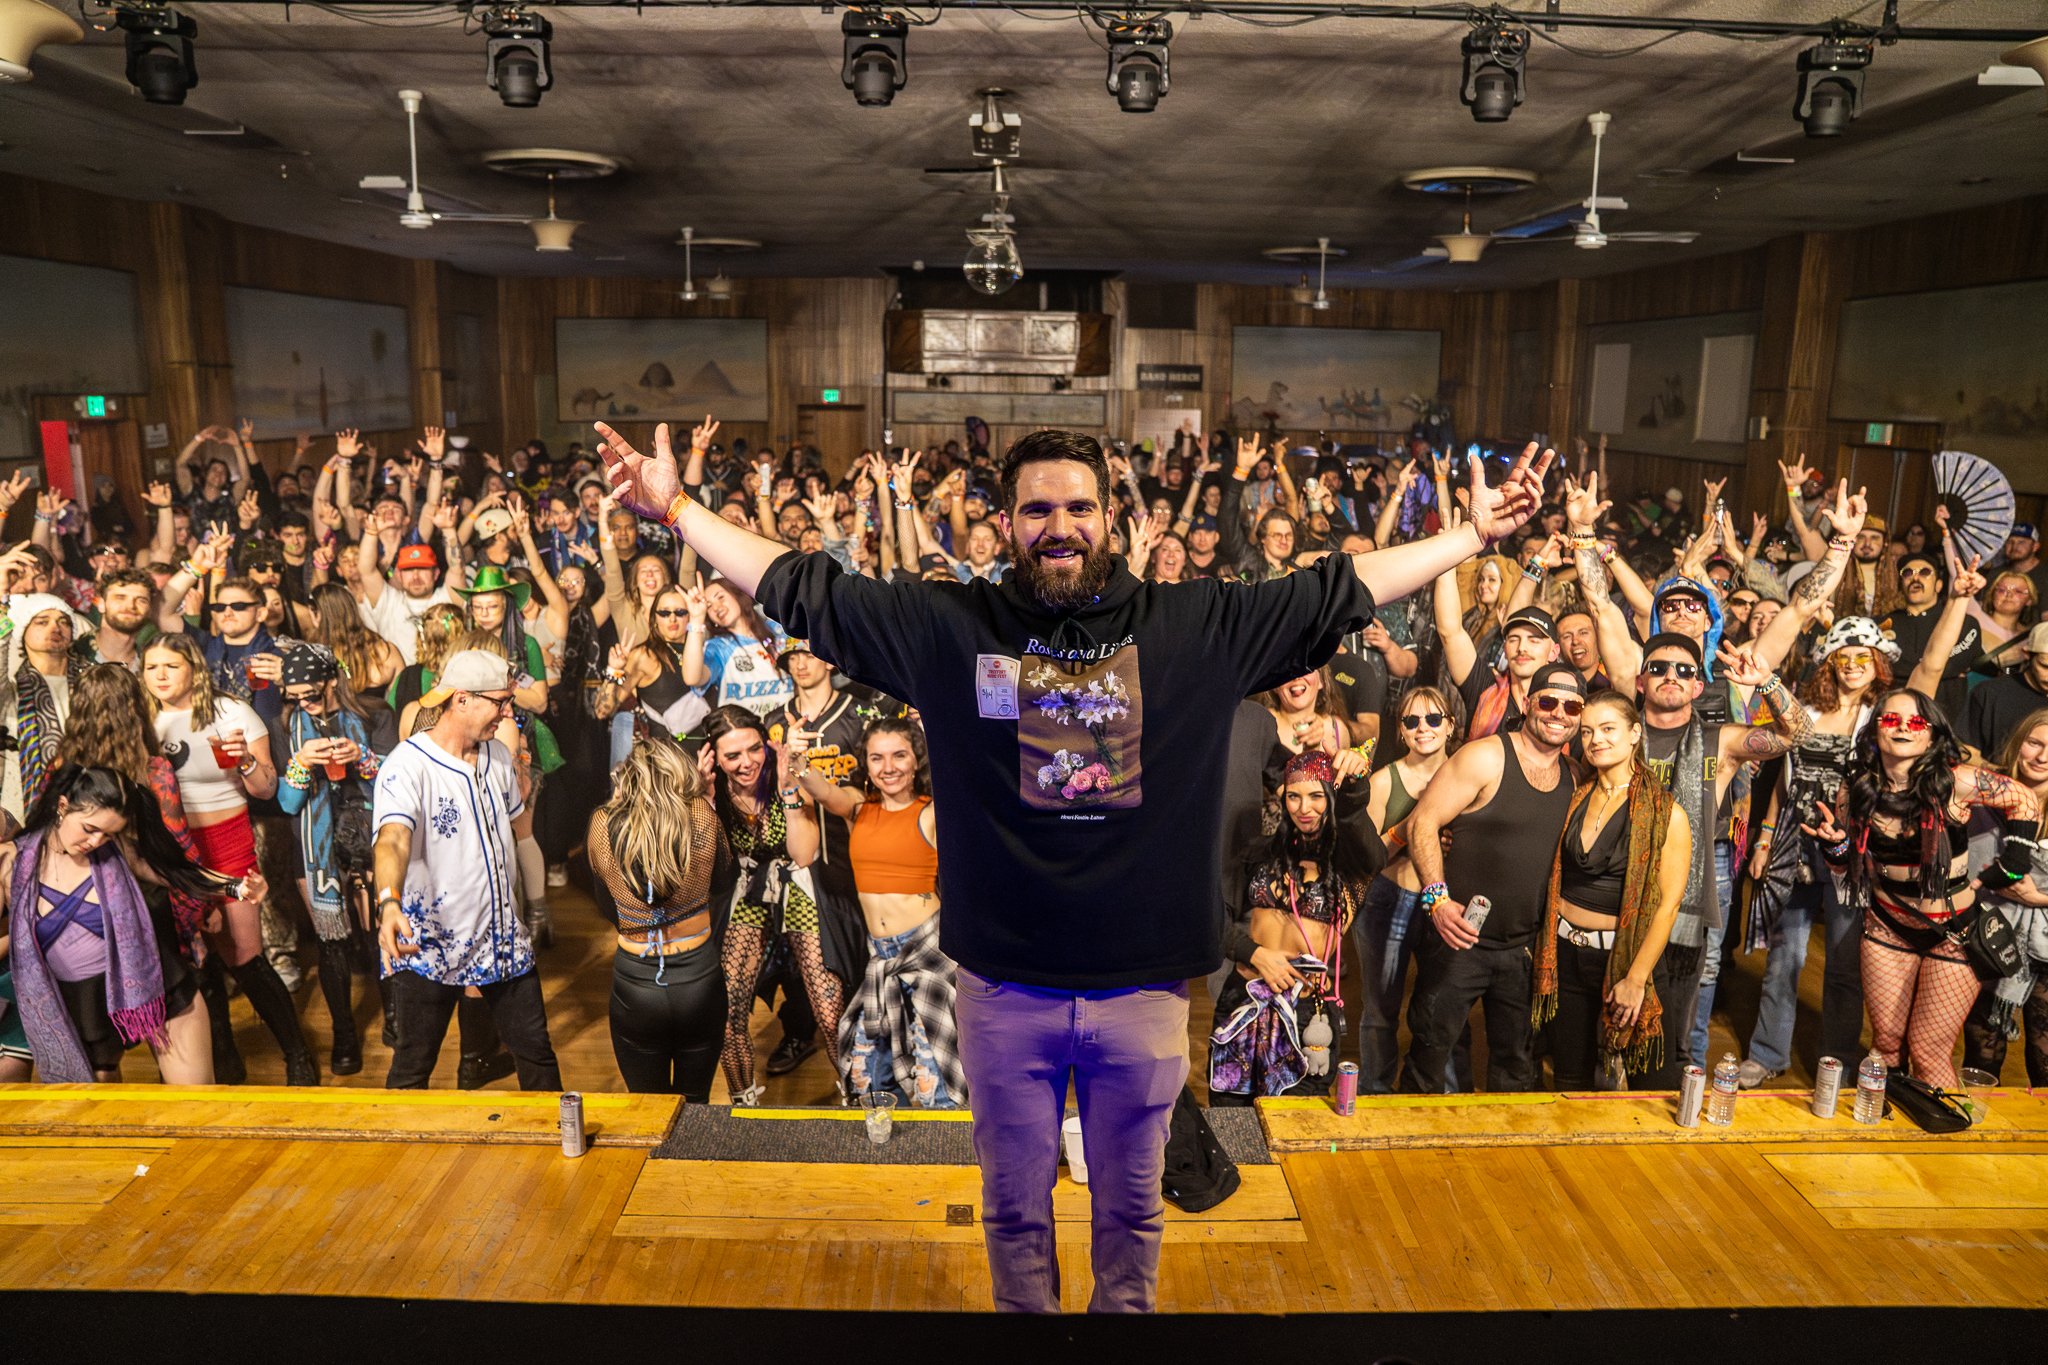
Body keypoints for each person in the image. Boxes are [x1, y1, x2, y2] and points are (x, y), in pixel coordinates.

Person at [594, 413, 1551, 1313]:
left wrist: (1468, 536)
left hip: (1142, 995)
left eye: (1079, 506)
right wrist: (677, 509)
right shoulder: (952, 630)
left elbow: (1338, 589)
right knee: (1013, 1212)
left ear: (1114, 518)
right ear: (1008, 523)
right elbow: (805, 589)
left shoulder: (1194, 628)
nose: (1060, 526)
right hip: (1005, 991)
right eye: (1039, 509)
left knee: (1131, 1213)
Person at [1806, 689, 2042, 1089]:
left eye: (1915, 722)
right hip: (1886, 927)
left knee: (1929, 1051)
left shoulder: (1956, 782)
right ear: (1874, 728)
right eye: (1890, 719)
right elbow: (1845, 863)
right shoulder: (1858, 787)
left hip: (1953, 934)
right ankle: (1886, 1137)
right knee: (1886, 1046)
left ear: (1931, 735)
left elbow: (2023, 799)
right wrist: (1835, 844)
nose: (1902, 727)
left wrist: (2016, 861)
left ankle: (1943, 1140)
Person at [372, 649, 562, 1090]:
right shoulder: (408, 765)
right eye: (500, 702)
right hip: (432, 943)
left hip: (500, 937)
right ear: (461, 699)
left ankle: (561, 1145)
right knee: (412, 1068)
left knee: (536, 1055)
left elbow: (514, 827)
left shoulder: (497, 755)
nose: (508, 712)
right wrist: (388, 902)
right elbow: (393, 839)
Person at [1404, 661, 1585, 1093]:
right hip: (1458, 940)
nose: (1559, 713)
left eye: (1571, 706)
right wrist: (1437, 901)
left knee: (1517, 1068)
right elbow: (1422, 823)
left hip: (1523, 950)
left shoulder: (1574, 776)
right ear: (1526, 703)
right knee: (1429, 1055)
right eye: (1548, 701)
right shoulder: (1485, 756)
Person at [142, 633, 313, 1085]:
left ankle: (297, 1054)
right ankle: (225, 1060)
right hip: (175, 850)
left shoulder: (230, 711)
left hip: (227, 841)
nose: (160, 675)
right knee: (197, 961)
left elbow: (267, 788)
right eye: (151, 667)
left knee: (245, 955)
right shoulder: (141, 719)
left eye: (170, 666)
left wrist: (245, 764)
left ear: (193, 668)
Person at [1, 766, 228, 1083]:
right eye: (90, 828)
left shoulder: (116, 852)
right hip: (79, 1006)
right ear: (63, 806)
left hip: (156, 989)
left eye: (107, 833)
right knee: (99, 1120)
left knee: (195, 1107)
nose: (95, 842)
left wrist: (237, 888)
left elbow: (180, 874)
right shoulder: (12, 862)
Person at [798, 714, 965, 1109]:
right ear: (866, 764)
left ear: (917, 761)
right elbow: (821, 790)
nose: (888, 767)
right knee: (864, 1074)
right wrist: (796, 759)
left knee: (932, 1080)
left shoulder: (931, 811)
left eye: (899, 756)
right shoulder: (858, 809)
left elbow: (962, 781)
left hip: (926, 953)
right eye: (877, 758)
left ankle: (942, 1159)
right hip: (881, 959)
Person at [1532, 692, 1692, 1087]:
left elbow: (1668, 906)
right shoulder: (1574, 795)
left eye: (1608, 729)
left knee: (1650, 1083)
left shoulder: (1666, 812)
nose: (1596, 740)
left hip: (1624, 959)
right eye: (1587, 732)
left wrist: (1636, 979)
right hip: (1566, 954)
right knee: (1570, 1078)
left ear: (1635, 733)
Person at [1208, 746, 1376, 1104]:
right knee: (1230, 1121)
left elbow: (1372, 851)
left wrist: (1356, 788)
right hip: (1244, 998)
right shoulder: (1260, 853)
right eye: (1294, 796)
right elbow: (1211, 918)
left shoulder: (1348, 864)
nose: (1304, 808)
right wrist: (1254, 953)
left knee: (1298, 1122)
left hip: (1306, 1013)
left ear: (1332, 797)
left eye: (1317, 796)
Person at [700, 704, 839, 1105]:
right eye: (732, 755)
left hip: (795, 882)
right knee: (727, 1013)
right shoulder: (709, 792)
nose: (747, 763)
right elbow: (710, 867)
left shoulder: (786, 771)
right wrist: (704, 801)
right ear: (713, 758)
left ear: (767, 742)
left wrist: (789, 789)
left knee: (829, 1011)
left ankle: (858, 1097)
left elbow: (804, 854)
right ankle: (744, 1104)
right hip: (746, 892)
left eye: (754, 749)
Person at [589, 738, 732, 1099]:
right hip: (699, 977)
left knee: (647, 1107)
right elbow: (723, 882)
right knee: (695, 1102)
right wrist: (709, 802)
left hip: (636, 982)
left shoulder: (603, 823)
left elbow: (609, 907)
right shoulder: (700, 812)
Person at [275, 643, 384, 1077]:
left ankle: (395, 1018)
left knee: (379, 931)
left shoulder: (374, 715)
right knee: (332, 943)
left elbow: (403, 776)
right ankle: (344, 1034)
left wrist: (363, 758)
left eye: (311, 694)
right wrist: (300, 764)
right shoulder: (287, 726)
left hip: (371, 835)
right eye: (294, 696)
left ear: (333, 679)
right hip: (316, 846)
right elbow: (287, 803)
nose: (302, 703)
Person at [1354, 686, 1459, 1091]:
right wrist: (1411, 831)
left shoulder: (1466, 773)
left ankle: (1443, 1095)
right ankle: (1374, 1096)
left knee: (1443, 1008)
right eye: (1412, 721)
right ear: (1400, 730)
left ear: (1449, 726)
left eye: (1433, 719)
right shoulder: (1383, 781)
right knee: (1380, 1011)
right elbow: (1368, 858)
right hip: (1388, 901)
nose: (1423, 728)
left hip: (1445, 905)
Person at [1963, 710, 2048, 1086]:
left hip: (2045, 949)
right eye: (2035, 744)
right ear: (2019, 743)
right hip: (1988, 938)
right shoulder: (1984, 793)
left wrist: (2040, 897)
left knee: (2045, 1059)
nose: (2042, 757)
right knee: (1982, 1055)